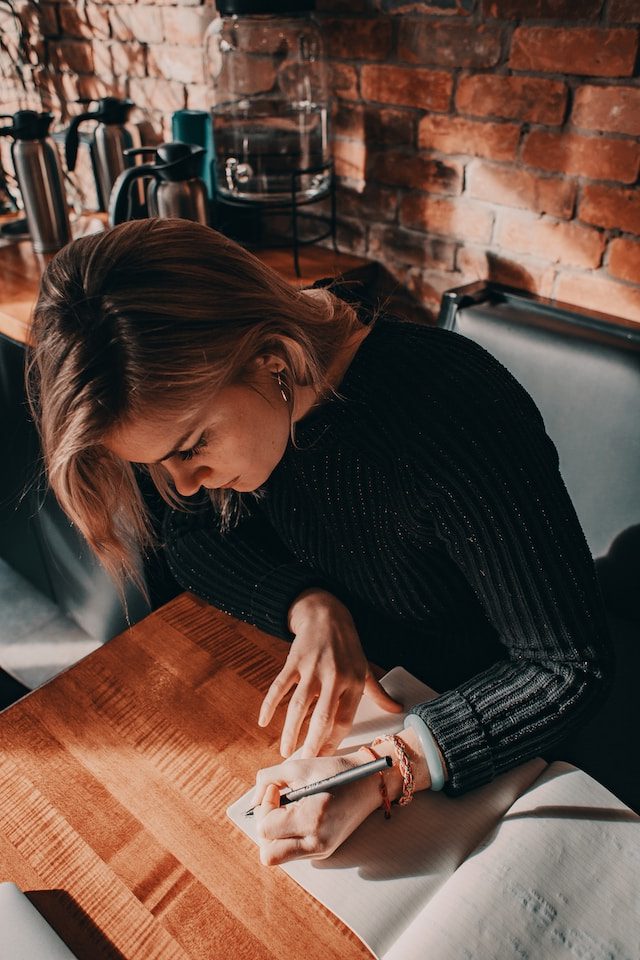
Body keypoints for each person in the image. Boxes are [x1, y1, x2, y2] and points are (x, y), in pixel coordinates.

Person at [27, 218, 612, 866]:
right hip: (391, 704)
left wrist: (389, 766)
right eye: (160, 463)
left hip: (513, 733)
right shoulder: (240, 405)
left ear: (273, 360)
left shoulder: (451, 416)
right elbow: (188, 537)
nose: (186, 485)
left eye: (192, 447)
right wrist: (310, 606)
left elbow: (567, 666)